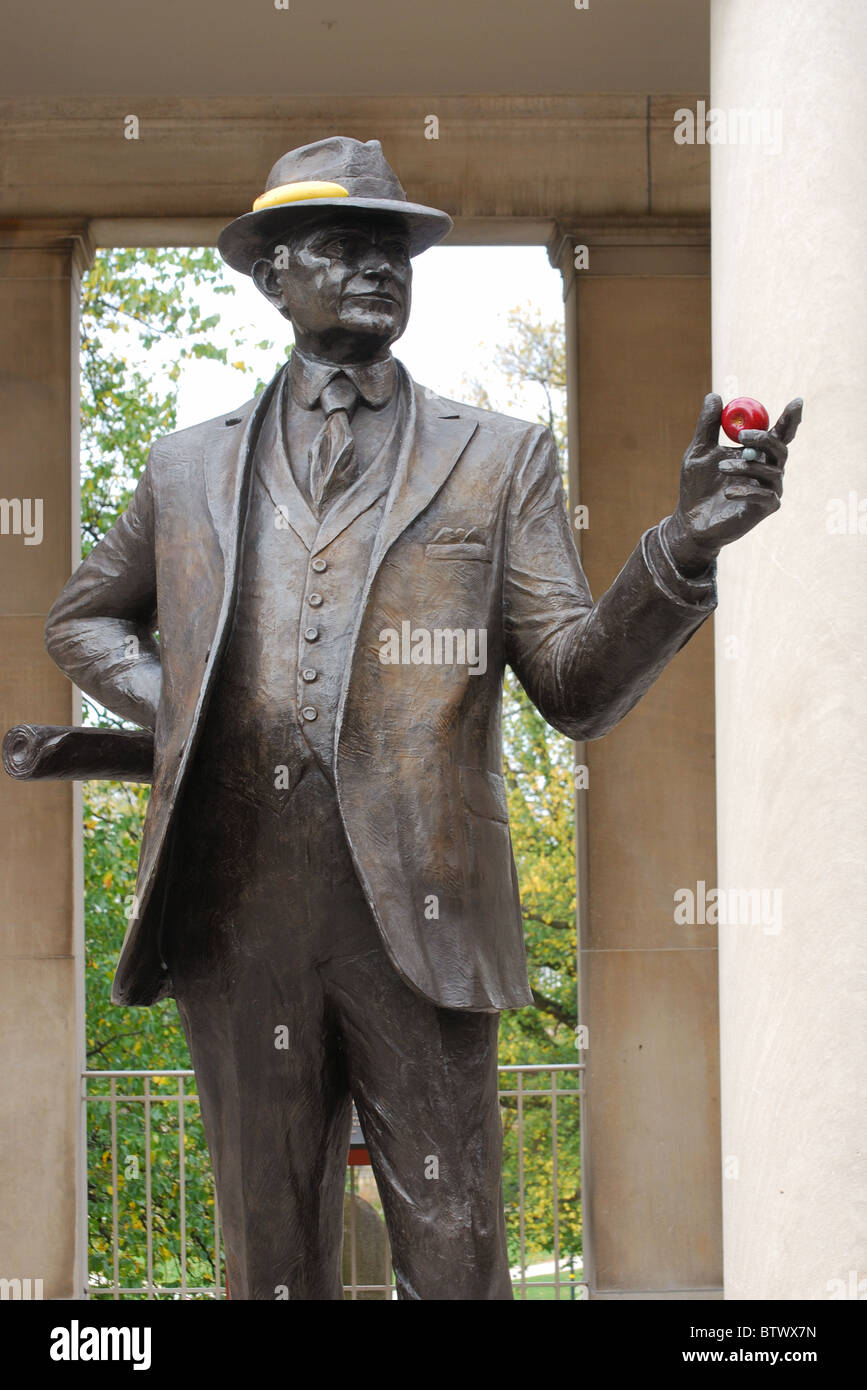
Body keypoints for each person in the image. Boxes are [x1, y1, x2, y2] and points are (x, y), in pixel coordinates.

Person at [44, 136, 802, 1299]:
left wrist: (680, 549)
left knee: (457, 1258)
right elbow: (83, 619)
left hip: (425, 914)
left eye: (396, 247)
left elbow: (576, 685)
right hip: (236, 917)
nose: (380, 266)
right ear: (274, 273)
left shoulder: (500, 459)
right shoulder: (185, 466)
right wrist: (183, 709)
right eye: (346, 244)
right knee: (270, 1266)